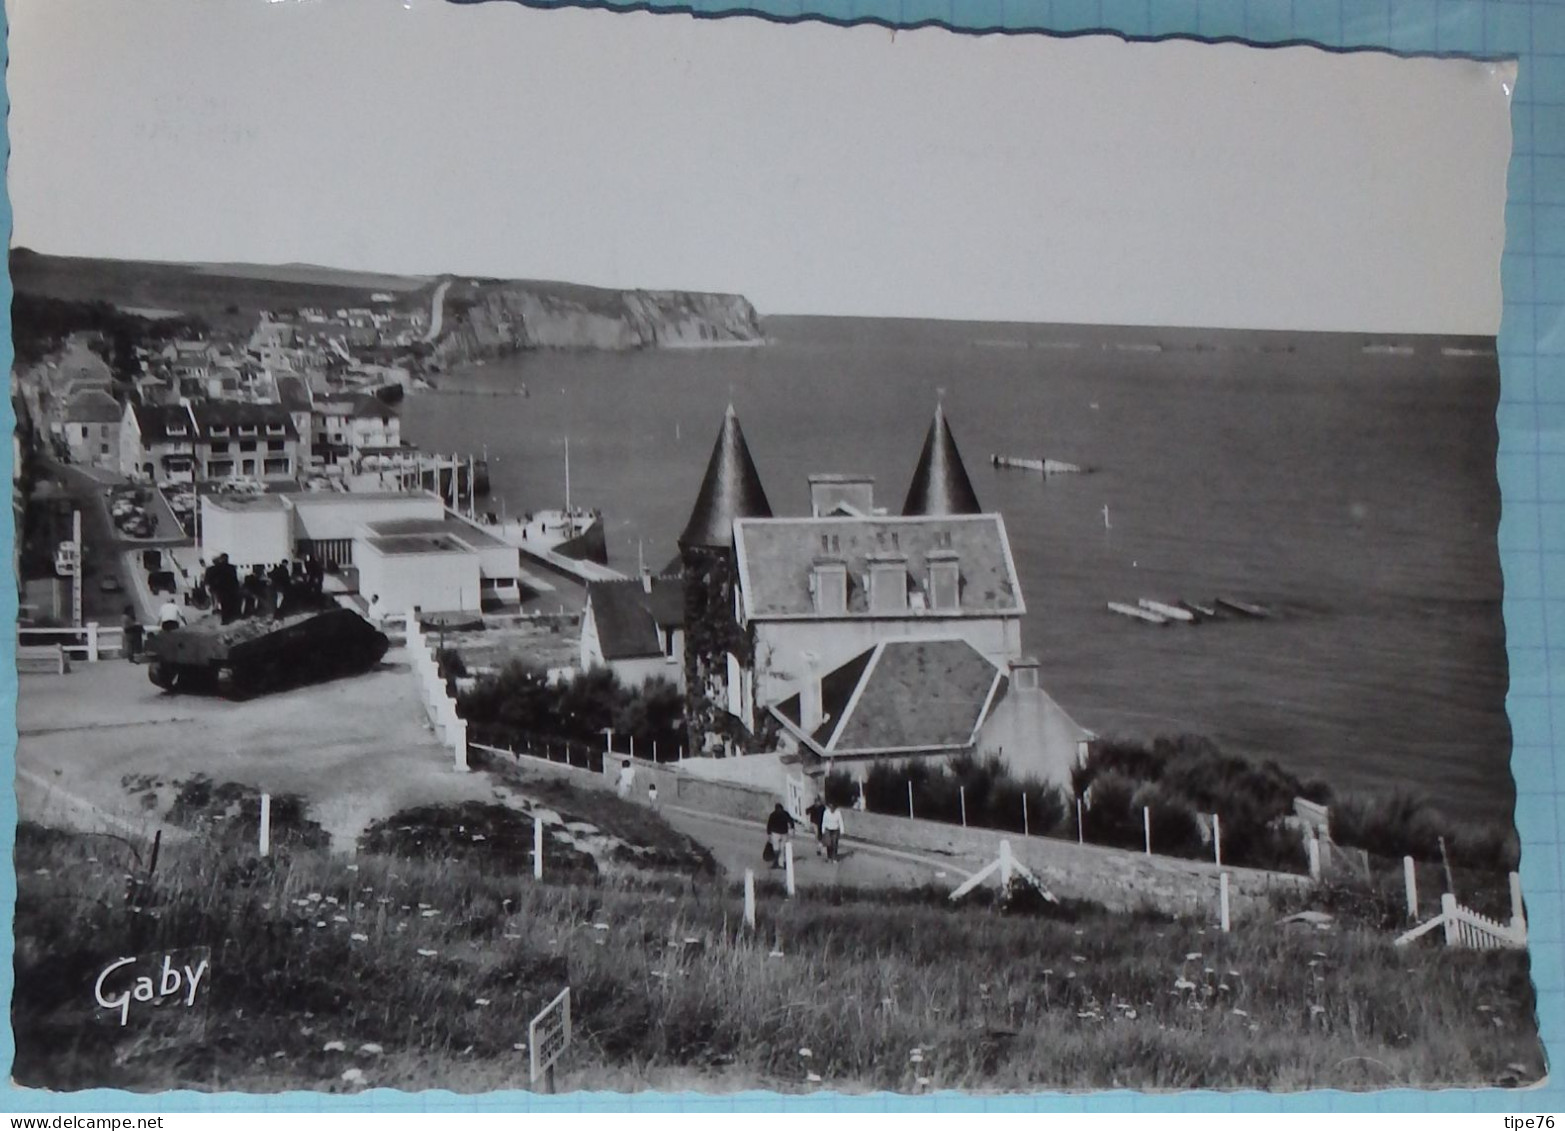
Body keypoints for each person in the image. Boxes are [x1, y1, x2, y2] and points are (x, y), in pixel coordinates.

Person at [765, 803, 798, 870]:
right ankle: (781, 863)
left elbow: (769, 824)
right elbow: (791, 821)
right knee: (782, 848)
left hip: (775, 833)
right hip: (784, 833)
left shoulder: (773, 814)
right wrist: (792, 828)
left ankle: (776, 861)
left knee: (776, 848)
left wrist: (769, 833)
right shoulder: (785, 813)